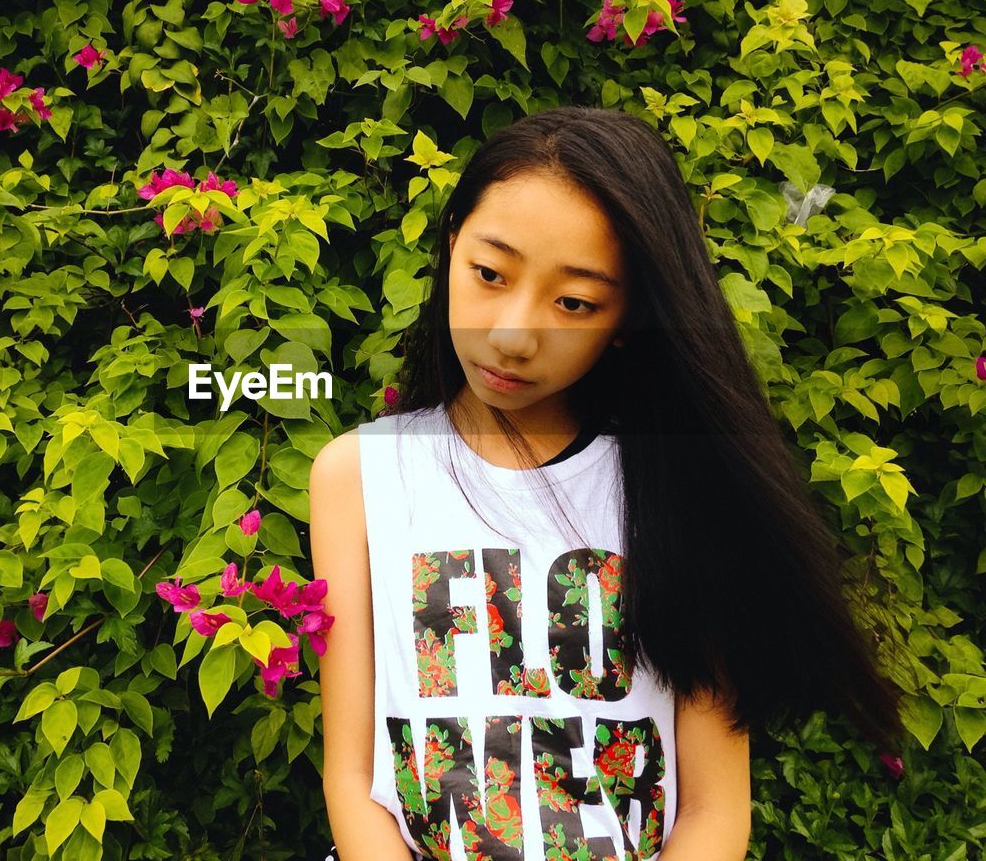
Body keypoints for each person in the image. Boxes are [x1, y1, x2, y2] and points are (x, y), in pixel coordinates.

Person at [308, 105, 902, 861]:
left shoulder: (680, 484)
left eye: (575, 303)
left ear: (627, 316)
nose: (514, 334)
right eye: (489, 274)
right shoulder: (360, 476)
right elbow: (354, 776)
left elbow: (715, 812)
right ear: (452, 241)